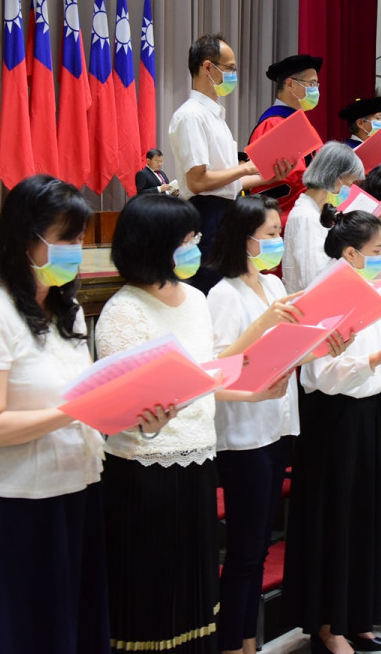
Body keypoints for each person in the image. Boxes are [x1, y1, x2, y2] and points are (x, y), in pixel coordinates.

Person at [96, 193, 292, 654]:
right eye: (185, 240)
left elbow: (204, 375)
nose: (194, 248)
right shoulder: (123, 311)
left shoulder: (193, 299)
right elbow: (129, 403)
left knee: (195, 588)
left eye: (194, 238)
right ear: (153, 245)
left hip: (199, 456)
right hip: (143, 467)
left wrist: (251, 391)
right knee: (150, 589)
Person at [0, 175, 115, 653]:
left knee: (67, 631)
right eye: (66, 239)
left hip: (73, 488)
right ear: (25, 238)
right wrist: (75, 410)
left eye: (80, 238)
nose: (76, 250)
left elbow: (83, 404)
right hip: (6, 502)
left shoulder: (66, 309)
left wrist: (131, 409)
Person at [205, 195, 340, 654]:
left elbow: (290, 352)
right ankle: (233, 644)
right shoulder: (223, 294)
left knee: (259, 548)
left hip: (278, 422)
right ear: (244, 239)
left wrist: (326, 345)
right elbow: (220, 362)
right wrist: (264, 322)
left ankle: (247, 639)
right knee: (244, 551)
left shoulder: (275, 287)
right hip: (242, 431)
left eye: (279, 233)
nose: (277, 241)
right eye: (268, 235)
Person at [287, 210, 381, 654]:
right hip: (332, 419)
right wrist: (374, 360)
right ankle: (328, 624)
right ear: (352, 253)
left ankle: (357, 616)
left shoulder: (368, 289)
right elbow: (319, 374)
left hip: (366, 411)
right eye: (377, 252)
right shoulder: (327, 293)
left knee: (361, 517)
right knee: (334, 519)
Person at [168, 34, 271, 291]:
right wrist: (247, 166)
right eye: (230, 68)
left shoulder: (214, 116)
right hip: (206, 215)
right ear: (207, 67)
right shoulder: (192, 115)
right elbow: (198, 180)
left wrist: (271, 173)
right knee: (211, 289)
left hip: (225, 212)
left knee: (230, 291)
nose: (233, 75)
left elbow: (229, 183)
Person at [281, 142, 365, 292]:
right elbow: (314, 277)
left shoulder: (320, 211)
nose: (349, 190)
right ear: (335, 178)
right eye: (348, 183)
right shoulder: (306, 216)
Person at [248, 54, 324, 212]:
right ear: (290, 84)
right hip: (286, 214)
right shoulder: (272, 123)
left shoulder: (302, 124)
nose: (315, 89)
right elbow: (287, 178)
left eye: (316, 84)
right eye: (311, 83)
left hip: (311, 210)